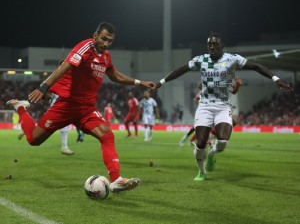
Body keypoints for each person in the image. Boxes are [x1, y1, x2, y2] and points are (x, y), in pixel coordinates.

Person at [7, 22, 156, 192]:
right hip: (66, 106)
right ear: (95, 36)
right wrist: (44, 87)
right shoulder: (85, 48)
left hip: (86, 109)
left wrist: (138, 82)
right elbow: (65, 66)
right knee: (34, 140)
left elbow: (114, 75)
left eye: (110, 41)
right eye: (103, 39)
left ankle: (116, 180)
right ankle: (20, 108)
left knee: (107, 135)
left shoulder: (106, 57)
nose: (106, 43)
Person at [156, 32, 293, 181]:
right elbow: (181, 70)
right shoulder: (201, 60)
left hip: (224, 106)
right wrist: (161, 82)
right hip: (205, 106)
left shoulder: (232, 59)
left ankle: (212, 154)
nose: (212, 47)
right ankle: (201, 172)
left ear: (223, 46)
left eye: (215, 44)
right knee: (200, 142)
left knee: (222, 141)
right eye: (209, 44)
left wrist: (275, 78)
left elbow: (256, 66)